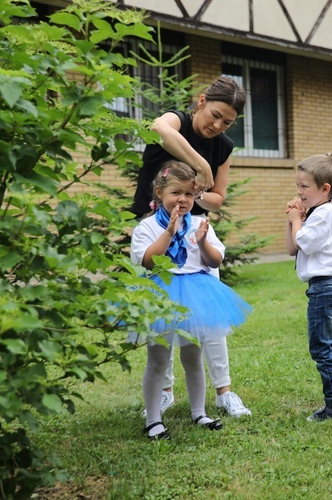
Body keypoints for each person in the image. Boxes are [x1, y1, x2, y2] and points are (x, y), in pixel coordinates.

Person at [132, 76, 251, 418]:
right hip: (156, 228)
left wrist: (195, 196)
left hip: (194, 232)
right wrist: (199, 165)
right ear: (201, 101)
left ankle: (224, 392)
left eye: (227, 122)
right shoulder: (177, 121)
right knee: (162, 318)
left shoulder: (224, 146)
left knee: (209, 320)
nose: (218, 125)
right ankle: (165, 392)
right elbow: (159, 128)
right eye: (215, 115)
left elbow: (217, 198)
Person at [130, 162, 252, 439]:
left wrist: (204, 241)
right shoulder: (147, 226)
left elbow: (214, 260)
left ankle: (199, 412)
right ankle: (153, 419)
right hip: (162, 295)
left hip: (197, 296)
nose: (182, 199)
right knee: (158, 359)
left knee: (193, 356)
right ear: (160, 192)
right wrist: (169, 232)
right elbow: (149, 261)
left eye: (188, 193)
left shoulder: (199, 223)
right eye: (175, 193)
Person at [285, 154, 332, 422]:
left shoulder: (324, 214)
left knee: (322, 348)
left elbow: (302, 242)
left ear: (325, 189)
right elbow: (291, 246)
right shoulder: (318, 213)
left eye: (304, 187)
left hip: (325, 288)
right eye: (298, 186)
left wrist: (296, 219)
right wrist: (294, 217)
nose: (299, 192)